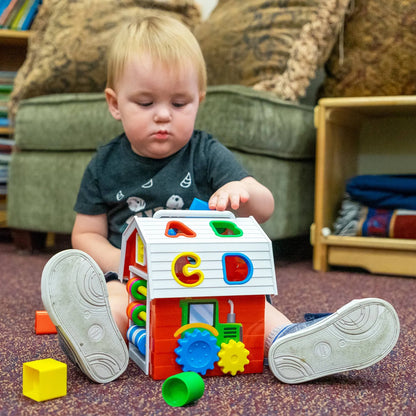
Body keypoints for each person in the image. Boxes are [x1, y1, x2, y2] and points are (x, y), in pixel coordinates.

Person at [41, 15, 400, 385]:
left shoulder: (206, 152)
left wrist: (242, 194)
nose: (163, 115)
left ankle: (294, 343)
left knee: (251, 307)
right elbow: (85, 234)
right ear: (115, 104)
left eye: (179, 103)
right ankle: (96, 338)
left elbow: (264, 207)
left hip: (207, 276)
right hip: (135, 278)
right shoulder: (104, 165)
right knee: (116, 299)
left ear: (199, 100)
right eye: (145, 102)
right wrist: (125, 262)